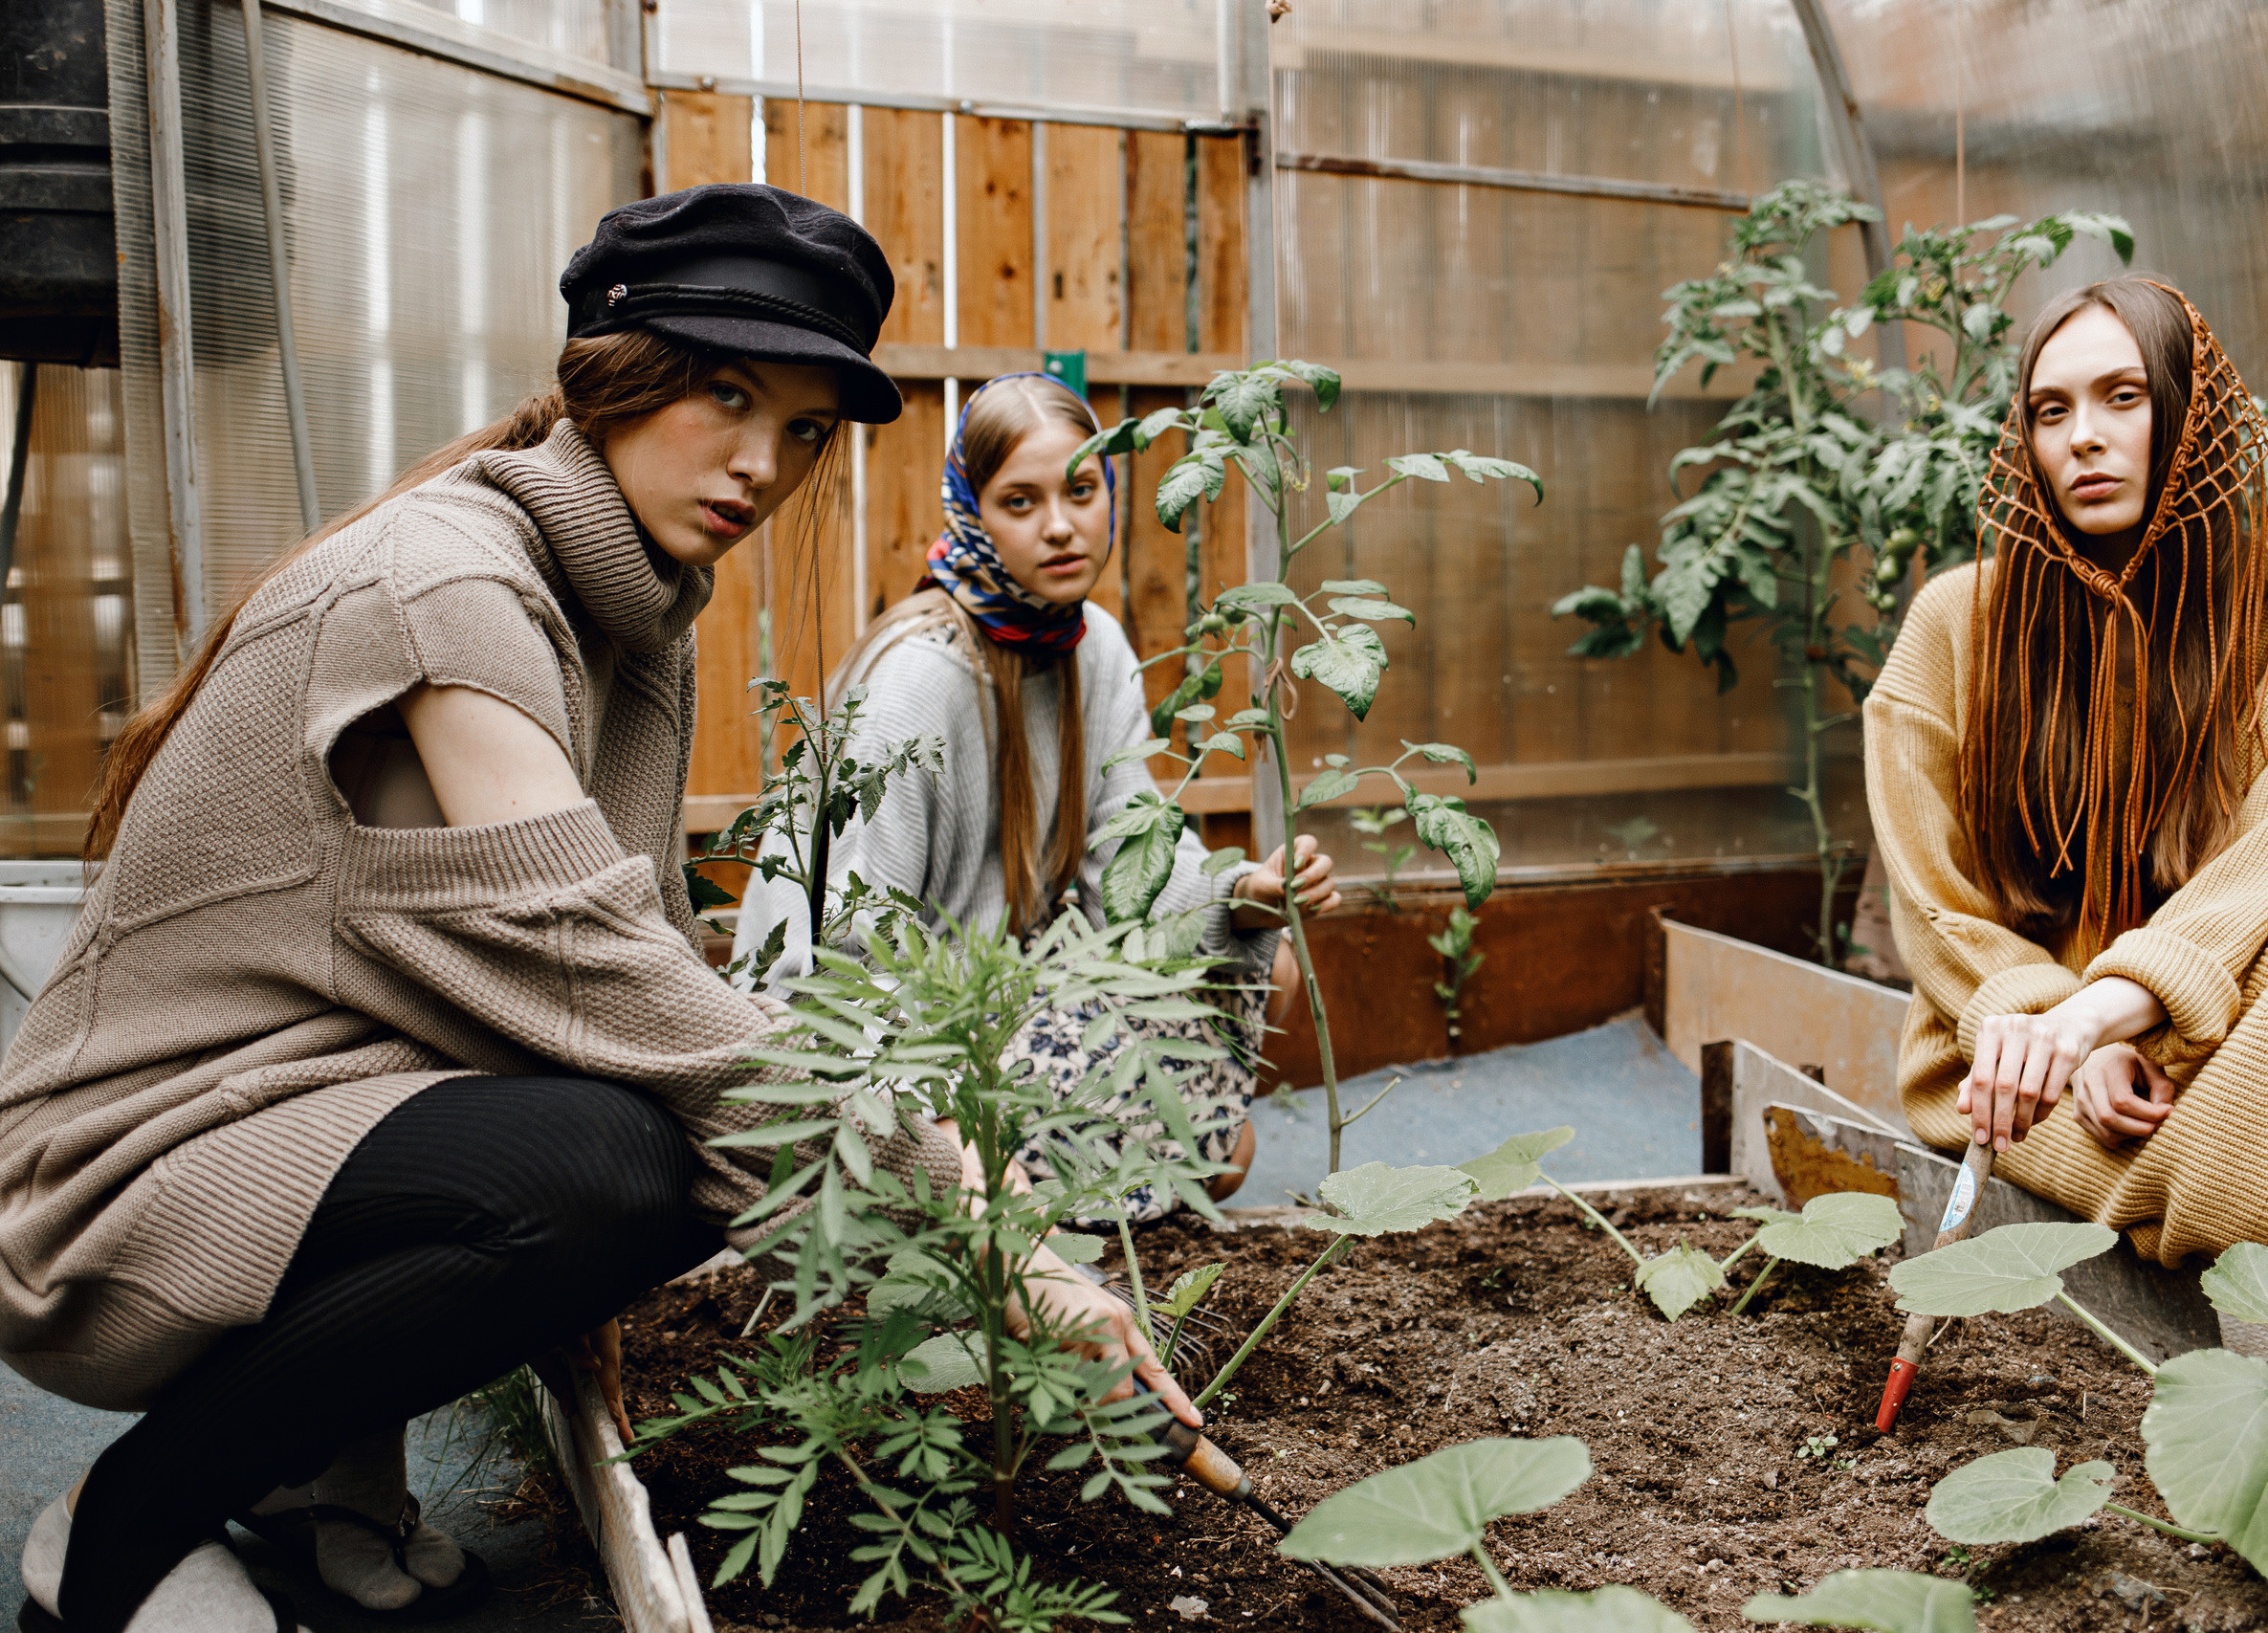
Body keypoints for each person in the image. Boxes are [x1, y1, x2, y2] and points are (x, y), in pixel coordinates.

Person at [1, 187, 1196, 1633]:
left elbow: (580, 980)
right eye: (726, 392)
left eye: (806, 428)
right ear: (612, 373)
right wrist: (995, 1228)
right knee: (613, 1163)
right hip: (113, 1184)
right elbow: (608, 975)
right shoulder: (448, 590)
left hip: (302, 1103)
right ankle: (119, 1520)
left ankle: (318, 1469)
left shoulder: (631, 610)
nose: (762, 463)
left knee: (658, 1147)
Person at [1866, 275, 2268, 1307]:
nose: (2082, 438)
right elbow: (1937, 904)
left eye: (2121, 397)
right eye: (2051, 411)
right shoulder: (1957, 624)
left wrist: (2109, 1020)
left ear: (2191, 410)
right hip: (2012, 1062)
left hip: (2239, 1019)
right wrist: (2053, 1025)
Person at [732, 371, 1339, 1219]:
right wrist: (939, 1117)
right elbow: (839, 960)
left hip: (1022, 1003)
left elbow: (1130, 866)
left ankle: (1030, 1188)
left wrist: (1246, 892)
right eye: (1020, 501)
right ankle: (964, 1187)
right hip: (898, 1038)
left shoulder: (1096, 648)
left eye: (1081, 490)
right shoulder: (916, 680)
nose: (1061, 526)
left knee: (1233, 1098)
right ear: (971, 511)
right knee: (1190, 1154)